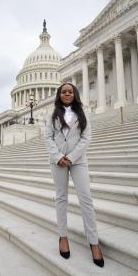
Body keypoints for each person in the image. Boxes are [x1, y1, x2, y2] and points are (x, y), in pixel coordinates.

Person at [45, 82, 104, 267]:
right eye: (64, 92)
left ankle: (94, 242)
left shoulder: (82, 113)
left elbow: (86, 138)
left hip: (77, 160)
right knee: (61, 198)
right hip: (57, 161)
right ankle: (63, 237)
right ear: (59, 95)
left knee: (86, 199)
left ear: (75, 94)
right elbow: (48, 137)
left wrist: (70, 157)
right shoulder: (53, 114)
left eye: (70, 91)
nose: (67, 94)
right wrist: (58, 157)